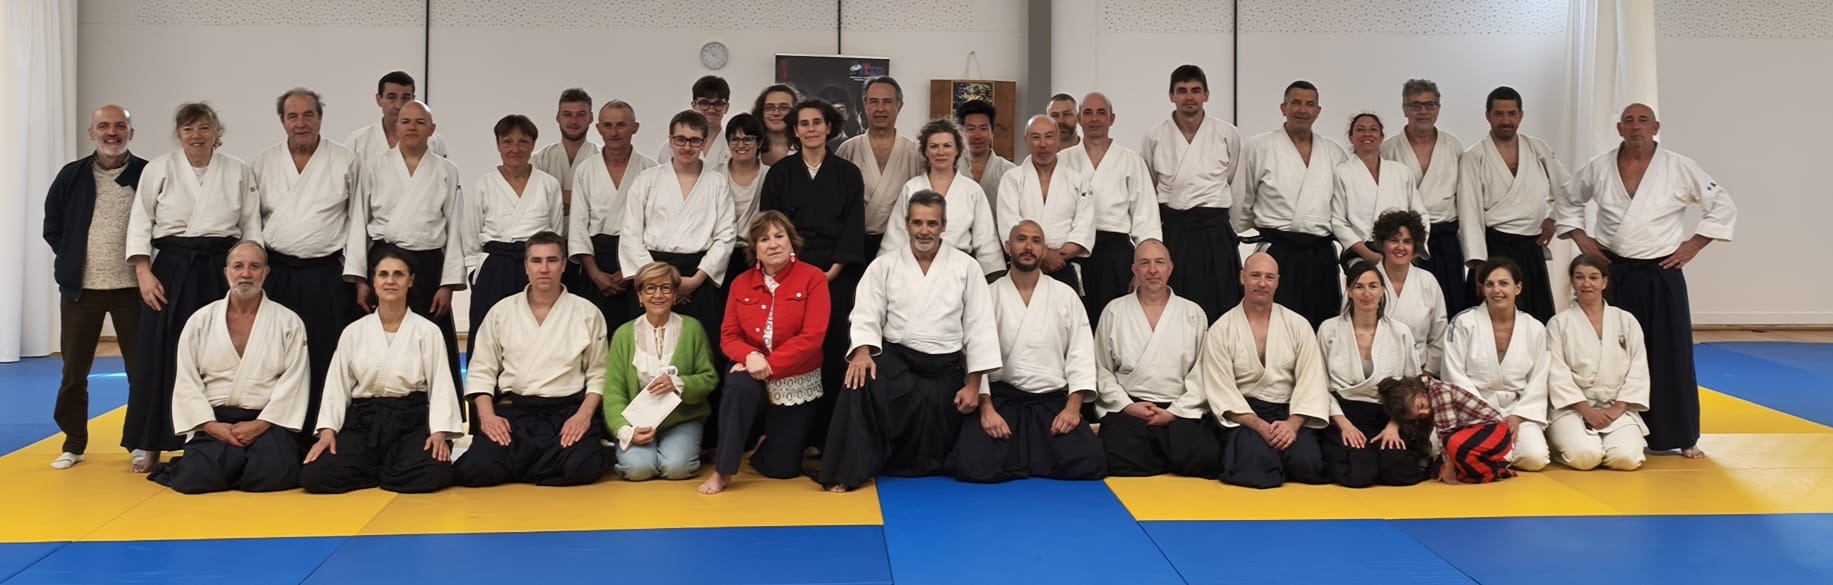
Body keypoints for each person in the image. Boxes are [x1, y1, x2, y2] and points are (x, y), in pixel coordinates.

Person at [1557, 103, 1737, 459]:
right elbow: (1567, 198)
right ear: (1620, 129)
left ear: (1656, 127)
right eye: (1629, 121)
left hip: (1661, 271)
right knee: (1612, 353)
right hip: (1615, 271)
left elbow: (1722, 205)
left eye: (1643, 121)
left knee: (1670, 352)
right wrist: (1581, 237)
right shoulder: (1599, 167)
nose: (1636, 126)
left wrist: (1693, 245)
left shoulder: (1679, 167)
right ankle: (1612, 426)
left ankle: (1682, 434)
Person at [817, 191, 1001, 492]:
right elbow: (866, 313)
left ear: (944, 225)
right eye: (917, 223)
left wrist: (974, 385)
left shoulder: (967, 267)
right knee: (858, 380)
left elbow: (979, 327)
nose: (924, 231)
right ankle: (845, 472)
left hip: (945, 369)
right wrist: (862, 351)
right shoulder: (884, 266)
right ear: (906, 225)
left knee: (976, 458)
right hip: (897, 362)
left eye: (931, 223)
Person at [123, 102, 262, 473]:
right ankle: (151, 441)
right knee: (161, 353)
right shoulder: (159, 169)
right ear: (179, 134)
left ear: (217, 132)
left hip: (220, 268)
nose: (196, 136)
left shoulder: (237, 170)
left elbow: (251, 225)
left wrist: (247, 272)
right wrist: (143, 272)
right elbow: (140, 221)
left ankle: (211, 437)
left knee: (219, 353)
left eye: (204, 128)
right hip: (170, 270)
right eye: (188, 129)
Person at [948, 221, 1105, 482]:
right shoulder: (988, 295)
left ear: (1044, 250)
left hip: (1050, 402)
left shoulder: (1065, 295)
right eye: (1021, 239)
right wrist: (986, 408)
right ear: (1007, 247)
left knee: (1090, 461)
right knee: (973, 464)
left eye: (1036, 241)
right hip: (1001, 401)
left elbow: (1081, 354)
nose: (1028, 246)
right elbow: (974, 354)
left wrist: (1073, 408)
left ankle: (1023, 458)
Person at [149, 241, 308, 493]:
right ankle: (226, 462)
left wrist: (261, 424)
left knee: (273, 476)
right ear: (226, 272)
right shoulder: (201, 320)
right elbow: (187, 380)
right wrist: (210, 426)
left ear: (266, 272)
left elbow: (295, 380)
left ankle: (231, 464)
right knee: (194, 480)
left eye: (254, 266)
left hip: (266, 421)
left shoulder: (288, 321)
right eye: (238, 266)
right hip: (216, 420)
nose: (246, 274)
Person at [453, 232, 611, 486]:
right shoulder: (502, 311)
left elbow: (598, 373)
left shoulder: (587, 312)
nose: (544, 269)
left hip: (566, 413)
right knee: (477, 469)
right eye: (536, 261)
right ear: (526, 266)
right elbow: (482, 370)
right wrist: (488, 417)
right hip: (515, 414)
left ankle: (526, 463)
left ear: (564, 265)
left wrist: (583, 416)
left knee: (583, 466)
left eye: (552, 260)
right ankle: (540, 463)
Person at [299, 248, 463, 493]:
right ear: (373, 281)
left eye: (399, 274)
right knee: (315, 475)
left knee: (434, 471)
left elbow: (440, 385)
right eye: (383, 274)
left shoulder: (427, 331)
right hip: (363, 423)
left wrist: (440, 433)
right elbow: (336, 386)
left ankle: (376, 469)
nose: (390, 281)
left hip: (410, 421)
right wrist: (327, 432)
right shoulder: (354, 332)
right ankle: (384, 469)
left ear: (410, 281)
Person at [252, 88, 362, 441]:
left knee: (326, 351)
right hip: (278, 272)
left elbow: (358, 221)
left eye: (308, 115)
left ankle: (325, 426)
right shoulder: (264, 162)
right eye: (292, 116)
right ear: (282, 121)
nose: (301, 123)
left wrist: (358, 276)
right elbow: (251, 221)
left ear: (320, 118)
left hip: (327, 273)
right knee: (276, 352)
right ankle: (278, 430)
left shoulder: (344, 160)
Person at [43, 104, 148, 469]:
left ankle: (140, 441)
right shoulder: (71, 176)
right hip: (81, 290)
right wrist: (71, 257)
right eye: (104, 126)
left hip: (133, 290)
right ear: (92, 133)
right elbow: (52, 226)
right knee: (74, 373)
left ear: (131, 133)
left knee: (141, 371)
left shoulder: (147, 174)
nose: (112, 132)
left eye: (120, 126)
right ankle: (73, 443)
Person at [758, 99, 867, 448]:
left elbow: (853, 225)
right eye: (803, 123)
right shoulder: (779, 173)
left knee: (834, 347)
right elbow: (770, 226)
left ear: (829, 127)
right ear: (795, 130)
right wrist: (792, 267)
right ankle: (789, 435)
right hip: (791, 269)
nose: (810, 129)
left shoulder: (848, 173)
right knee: (791, 347)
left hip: (837, 269)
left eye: (817, 122)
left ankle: (828, 436)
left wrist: (832, 270)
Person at [703, 211, 831, 494]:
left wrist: (768, 364)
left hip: (794, 373)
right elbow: (729, 335)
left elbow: (812, 337)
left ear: (791, 241)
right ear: (755, 249)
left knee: (782, 469)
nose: (773, 244)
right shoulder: (740, 283)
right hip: (749, 367)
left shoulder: (813, 278)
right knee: (737, 386)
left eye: (779, 236)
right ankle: (723, 470)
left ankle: (763, 445)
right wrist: (749, 357)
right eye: (764, 239)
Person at [345, 100, 463, 403]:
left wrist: (448, 284)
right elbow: (358, 220)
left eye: (420, 122)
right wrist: (359, 278)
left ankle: (437, 411)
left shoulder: (446, 170)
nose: (412, 127)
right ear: (396, 127)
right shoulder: (374, 166)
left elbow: (454, 228)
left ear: (432, 130)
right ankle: (374, 401)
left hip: (428, 264)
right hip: (383, 259)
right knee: (380, 332)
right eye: (406, 121)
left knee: (431, 337)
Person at [1192, 253, 1330, 488]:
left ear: (1277, 282)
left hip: (1288, 411)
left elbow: (1311, 380)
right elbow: (1221, 388)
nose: (1262, 283)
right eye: (1255, 276)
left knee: (1307, 464)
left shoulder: (1298, 325)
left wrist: (1292, 425)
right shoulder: (1222, 329)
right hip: (1244, 414)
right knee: (1256, 466)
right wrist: (1259, 425)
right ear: (1242, 278)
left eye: (1269, 277)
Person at [1093, 240, 1222, 477]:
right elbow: (1102, 369)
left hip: (1178, 410)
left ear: (1170, 268)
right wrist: (1127, 405)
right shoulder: (1114, 310)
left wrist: (1174, 412)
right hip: (1130, 407)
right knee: (1113, 457)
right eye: (1145, 263)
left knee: (1206, 457)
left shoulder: (1193, 313)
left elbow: (1202, 371)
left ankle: (1159, 453)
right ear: (1134, 270)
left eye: (1159, 263)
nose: (1152, 270)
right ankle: (1164, 455)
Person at [1234, 81, 1350, 328]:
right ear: (1283, 107)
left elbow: (1342, 207)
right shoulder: (1259, 147)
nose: (1302, 110)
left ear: (1318, 111)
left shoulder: (1334, 153)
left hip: (1320, 253)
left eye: (1309, 104)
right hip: (1279, 250)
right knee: (1275, 324)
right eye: (1296, 103)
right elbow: (1244, 198)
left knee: (1323, 323)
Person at [1141, 65, 1243, 323]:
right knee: (1175, 303)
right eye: (1182, 90)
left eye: (1196, 90)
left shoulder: (1227, 134)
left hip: (1215, 229)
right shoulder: (1155, 137)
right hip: (1175, 230)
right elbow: (1149, 187)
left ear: (1206, 95)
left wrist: (1231, 227)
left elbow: (1236, 182)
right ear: (1171, 96)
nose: (1189, 97)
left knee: (1221, 300)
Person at [619, 110, 735, 336]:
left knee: (698, 342)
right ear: (670, 141)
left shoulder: (717, 183)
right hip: (652, 272)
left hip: (697, 275)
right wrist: (661, 282)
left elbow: (726, 236)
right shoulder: (647, 180)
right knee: (649, 343)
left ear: (704, 143)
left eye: (694, 140)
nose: (687, 147)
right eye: (680, 139)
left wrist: (696, 280)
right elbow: (630, 234)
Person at [1456, 86, 1565, 322]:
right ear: (1488, 115)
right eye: (1499, 114)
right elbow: (1469, 211)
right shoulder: (1474, 156)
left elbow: (1567, 189)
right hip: (1494, 246)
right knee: (1489, 320)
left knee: (1536, 318)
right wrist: (1479, 263)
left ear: (1521, 115)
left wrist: (1554, 217)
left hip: (1531, 247)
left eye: (1511, 114)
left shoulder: (1538, 149)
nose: (1506, 120)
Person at [1317, 263, 1429, 487]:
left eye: (1373, 286)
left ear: (1382, 290)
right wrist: (1344, 424)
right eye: (1359, 287)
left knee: (1397, 471)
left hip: (1388, 412)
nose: (1366, 293)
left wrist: (1394, 425)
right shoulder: (1329, 330)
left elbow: (1413, 385)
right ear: (1348, 290)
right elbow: (1319, 384)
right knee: (1358, 475)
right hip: (1344, 413)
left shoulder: (1400, 332)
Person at [603, 263, 718, 481]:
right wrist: (625, 430)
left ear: (675, 295)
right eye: (650, 288)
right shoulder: (623, 335)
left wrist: (679, 384)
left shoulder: (693, 328)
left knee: (676, 469)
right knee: (639, 470)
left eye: (666, 288)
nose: (658, 295)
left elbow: (709, 378)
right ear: (640, 295)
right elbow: (613, 392)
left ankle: (672, 452)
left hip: (682, 420)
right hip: (636, 422)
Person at [1059, 92, 1162, 326]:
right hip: (1074, 251)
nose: (1094, 118)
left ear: (1112, 119)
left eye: (1101, 113)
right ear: (1079, 118)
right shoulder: (1063, 160)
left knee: (1115, 321)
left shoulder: (1131, 161)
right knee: (1074, 322)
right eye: (1088, 113)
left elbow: (1146, 218)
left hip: (1116, 253)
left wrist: (1144, 267)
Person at [464, 114, 565, 350]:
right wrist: (474, 272)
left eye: (523, 142)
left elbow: (556, 232)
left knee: (537, 332)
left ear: (533, 145)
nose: (515, 149)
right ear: (498, 145)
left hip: (536, 265)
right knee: (489, 335)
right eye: (508, 142)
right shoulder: (484, 184)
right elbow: (470, 235)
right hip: (495, 265)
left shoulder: (548, 184)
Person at [1443, 258, 1552, 471]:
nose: (1496, 290)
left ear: (1517, 288)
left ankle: (1490, 456)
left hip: (1517, 409)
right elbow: (1454, 373)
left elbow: (1539, 378)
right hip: (1474, 410)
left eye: (1504, 283)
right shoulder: (1463, 323)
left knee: (1535, 458)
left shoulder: (1535, 328)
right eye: (1490, 284)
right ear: (1482, 289)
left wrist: (1518, 415)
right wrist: (1486, 414)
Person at [1545, 254, 1649, 471]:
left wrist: (1619, 407)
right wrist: (1586, 410)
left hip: (1615, 406)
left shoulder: (1626, 320)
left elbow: (1638, 368)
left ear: (1604, 282)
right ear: (1572, 281)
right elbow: (1556, 373)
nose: (1586, 284)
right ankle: (1565, 445)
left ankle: (1606, 444)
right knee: (1585, 458)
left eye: (1593, 277)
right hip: (1572, 407)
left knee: (1627, 459)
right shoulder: (1558, 324)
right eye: (1579, 277)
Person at [1381, 79, 1473, 314]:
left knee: (1451, 305)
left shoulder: (1453, 146)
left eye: (1430, 105)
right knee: (1406, 307)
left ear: (1438, 109)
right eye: (1416, 105)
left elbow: (1465, 199)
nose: (1423, 111)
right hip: (1405, 241)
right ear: (1405, 109)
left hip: (1445, 239)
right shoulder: (1389, 149)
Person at [568, 100, 657, 327]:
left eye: (621, 125)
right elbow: (578, 225)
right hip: (596, 261)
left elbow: (655, 226)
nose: (614, 132)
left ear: (635, 127)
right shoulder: (586, 170)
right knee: (593, 331)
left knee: (636, 332)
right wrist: (594, 273)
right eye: (607, 125)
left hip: (638, 260)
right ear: (598, 129)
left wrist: (631, 270)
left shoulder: (651, 170)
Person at [881, 118, 1002, 274]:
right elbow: (895, 239)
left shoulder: (972, 191)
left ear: (957, 150)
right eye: (934, 146)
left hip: (959, 271)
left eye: (947, 146)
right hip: (915, 269)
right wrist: (885, 273)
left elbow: (986, 242)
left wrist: (993, 278)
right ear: (925, 152)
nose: (940, 152)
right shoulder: (911, 188)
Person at [996, 115, 1095, 293]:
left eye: (1049, 136)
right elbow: (1008, 224)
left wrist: (1056, 257)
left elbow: (1084, 228)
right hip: (1023, 264)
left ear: (1058, 139)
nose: (1043, 144)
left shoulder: (1078, 180)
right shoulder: (1012, 179)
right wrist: (1044, 255)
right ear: (1026, 140)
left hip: (1062, 264)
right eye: (1035, 137)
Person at [836, 76, 923, 256]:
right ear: (865, 105)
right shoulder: (848, 149)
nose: (880, 108)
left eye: (887, 102)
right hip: (855, 245)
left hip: (901, 246)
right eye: (873, 101)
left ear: (899, 106)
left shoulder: (915, 153)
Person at [1377, 376, 1515, 484]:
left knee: (1452, 443)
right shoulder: (1425, 396)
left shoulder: (1439, 391)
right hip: (1470, 437)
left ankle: (1489, 472)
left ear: (1418, 393)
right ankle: (1490, 467)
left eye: (1421, 406)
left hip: (1495, 431)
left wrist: (1449, 466)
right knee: (1436, 467)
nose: (1425, 412)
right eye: (1419, 415)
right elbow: (1425, 437)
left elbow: (1447, 432)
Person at [1331, 112, 1426, 267]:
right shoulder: (1342, 173)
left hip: (1399, 250)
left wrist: (1412, 251)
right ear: (1351, 137)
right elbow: (1338, 222)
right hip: (1361, 253)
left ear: (1382, 137)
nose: (1367, 134)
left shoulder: (1401, 172)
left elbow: (1420, 214)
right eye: (1360, 129)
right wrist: (1369, 255)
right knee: (1367, 282)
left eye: (1373, 129)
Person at [1372, 210, 1449, 375]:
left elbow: (1439, 334)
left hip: (1418, 373)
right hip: (1374, 373)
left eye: (1407, 241)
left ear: (1415, 247)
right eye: (1394, 240)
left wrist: (1427, 373)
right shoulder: (1365, 279)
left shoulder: (1428, 281)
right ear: (1382, 244)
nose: (1400, 247)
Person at [346, 70, 448, 160]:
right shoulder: (358, 141)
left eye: (405, 98)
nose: (399, 105)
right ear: (379, 100)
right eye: (391, 97)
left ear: (413, 99)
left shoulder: (434, 141)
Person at [534, 88, 599, 215]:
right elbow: (532, 200)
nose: (574, 121)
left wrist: (553, 197)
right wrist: (583, 199)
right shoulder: (540, 159)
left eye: (581, 114)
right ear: (558, 117)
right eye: (567, 114)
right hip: (548, 228)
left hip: (591, 228)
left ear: (591, 118)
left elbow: (607, 201)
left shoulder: (602, 157)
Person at [724, 113, 772, 282]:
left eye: (748, 139)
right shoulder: (715, 175)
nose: (741, 145)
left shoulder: (770, 175)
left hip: (757, 253)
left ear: (759, 142)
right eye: (735, 140)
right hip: (720, 253)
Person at [657, 75, 732, 166]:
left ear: (726, 107)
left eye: (718, 104)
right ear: (694, 105)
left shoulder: (733, 148)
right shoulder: (669, 148)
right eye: (704, 103)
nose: (711, 110)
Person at [956, 99, 1016, 201]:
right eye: (971, 129)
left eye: (983, 129)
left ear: (992, 132)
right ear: (960, 132)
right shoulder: (950, 169)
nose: (977, 136)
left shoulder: (1008, 171)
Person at [751, 84, 800, 165]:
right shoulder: (746, 147)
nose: (776, 113)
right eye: (769, 108)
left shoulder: (806, 148)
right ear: (761, 113)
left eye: (784, 108)